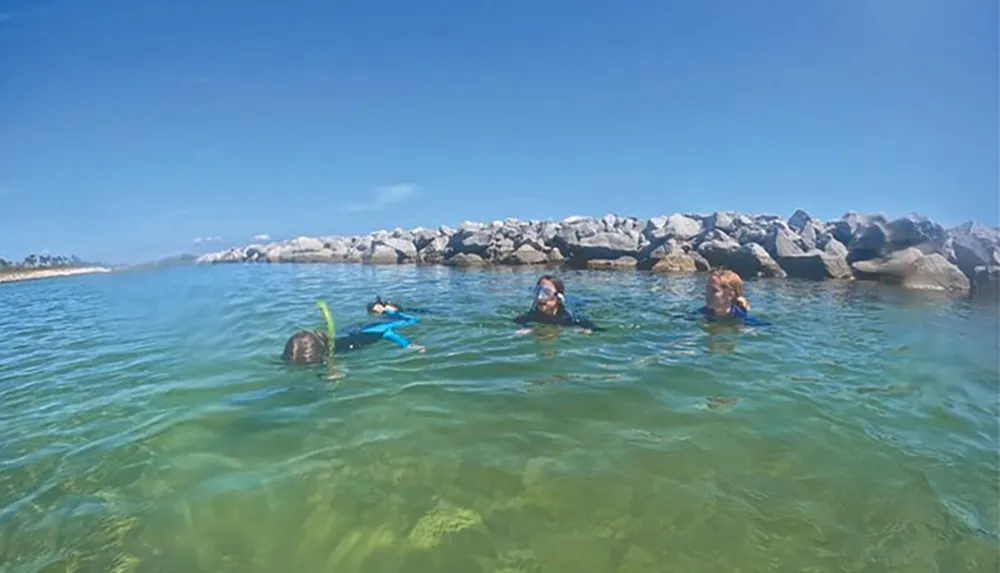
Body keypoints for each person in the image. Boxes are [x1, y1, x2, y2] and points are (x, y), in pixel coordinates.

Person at [282, 298, 425, 365]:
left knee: (408, 321)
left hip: (367, 330)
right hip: (357, 329)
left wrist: (406, 344)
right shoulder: (334, 345)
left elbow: (385, 331)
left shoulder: (347, 343)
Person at [513, 275, 602, 334]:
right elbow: (518, 320)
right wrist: (527, 328)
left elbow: (595, 329)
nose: (540, 297)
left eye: (546, 293)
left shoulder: (566, 318)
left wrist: (587, 331)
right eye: (537, 291)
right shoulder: (532, 316)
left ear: (558, 298)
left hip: (576, 304)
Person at [698, 269, 770, 326]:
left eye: (714, 290)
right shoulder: (701, 314)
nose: (707, 294)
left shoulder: (742, 319)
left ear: (730, 295)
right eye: (707, 289)